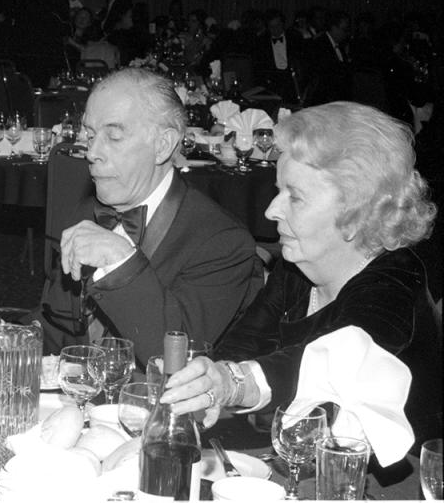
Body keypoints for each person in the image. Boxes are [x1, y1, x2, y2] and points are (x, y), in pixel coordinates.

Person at [159, 102, 441, 448]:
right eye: (280, 190)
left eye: (296, 197)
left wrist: (232, 383)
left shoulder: (395, 283)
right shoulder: (298, 266)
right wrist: (206, 381)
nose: (271, 210)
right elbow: (243, 343)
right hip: (298, 455)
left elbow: (327, 368)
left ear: (356, 212)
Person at [35, 68, 264, 363]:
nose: (92, 152)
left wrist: (120, 261)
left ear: (163, 145)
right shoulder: (85, 213)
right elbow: (58, 323)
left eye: (113, 137)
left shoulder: (221, 242)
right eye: (90, 135)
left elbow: (174, 361)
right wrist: (12, 340)